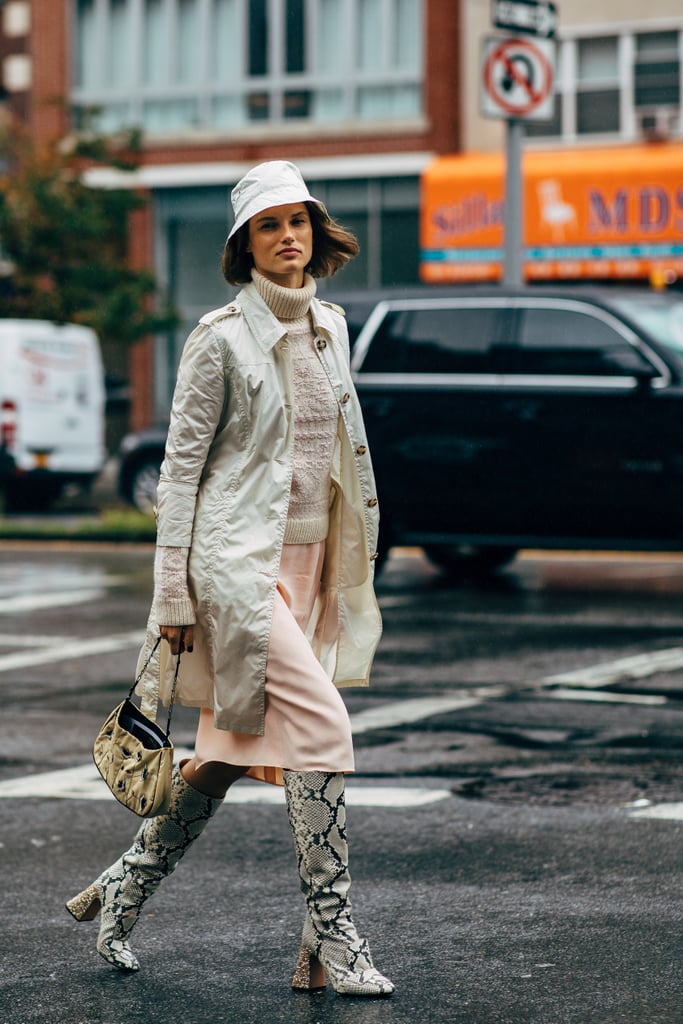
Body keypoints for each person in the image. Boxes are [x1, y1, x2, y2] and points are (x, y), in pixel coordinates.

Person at [66, 160, 394, 998]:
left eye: (299, 221)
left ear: (317, 231)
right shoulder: (217, 338)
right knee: (322, 731)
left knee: (223, 754)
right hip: (235, 568)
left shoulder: (332, 326)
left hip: (309, 566)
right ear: (243, 244)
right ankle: (336, 934)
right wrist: (172, 598)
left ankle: (122, 891)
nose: (289, 237)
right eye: (269, 225)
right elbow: (180, 474)